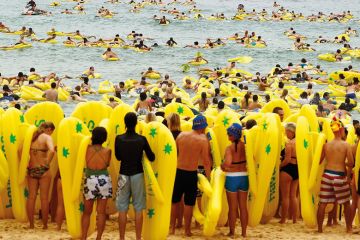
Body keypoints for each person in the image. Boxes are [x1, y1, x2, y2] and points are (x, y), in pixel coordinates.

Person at [115, 113, 155, 240]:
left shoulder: (119, 138)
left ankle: (122, 237)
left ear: (125, 123)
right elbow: (152, 157)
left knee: (122, 208)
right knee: (138, 208)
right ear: (136, 123)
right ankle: (138, 238)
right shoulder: (141, 139)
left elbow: (118, 157)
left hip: (123, 175)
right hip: (137, 174)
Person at [170, 115, 212, 236]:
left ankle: (172, 228)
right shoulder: (203, 140)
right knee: (189, 203)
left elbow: (175, 154)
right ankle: (187, 230)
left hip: (178, 172)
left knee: (175, 201)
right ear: (203, 127)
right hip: (191, 173)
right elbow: (206, 161)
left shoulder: (181, 135)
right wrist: (209, 177)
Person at [317, 118, 354, 233]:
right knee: (346, 203)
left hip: (327, 174)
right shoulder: (346, 145)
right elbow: (351, 163)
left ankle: (319, 229)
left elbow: (319, 161)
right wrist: (348, 177)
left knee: (322, 203)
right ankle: (348, 228)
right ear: (341, 129)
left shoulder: (326, 145)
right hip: (339, 175)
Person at [81, 127, 112, 240]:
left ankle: (83, 237)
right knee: (101, 212)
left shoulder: (86, 149)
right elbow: (107, 164)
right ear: (104, 138)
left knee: (87, 212)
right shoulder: (108, 151)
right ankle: (98, 237)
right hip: (103, 180)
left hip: (90, 179)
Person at [26, 122, 55, 229]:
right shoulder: (47, 137)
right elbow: (52, 150)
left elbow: (20, 150)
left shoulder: (31, 137)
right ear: (49, 129)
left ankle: (31, 224)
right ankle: (44, 225)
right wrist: (47, 162)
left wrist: (26, 163)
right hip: (43, 170)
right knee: (44, 198)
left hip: (32, 169)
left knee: (31, 197)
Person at [221, 123, 248, 237]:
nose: (227, 135)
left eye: (229, 133)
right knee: (243, 206)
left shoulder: (229, 148)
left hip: (232, 177)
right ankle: (244, 233)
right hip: (244, 176)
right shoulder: (246, 146)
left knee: (232, 208)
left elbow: (228, 163)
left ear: (232, 135)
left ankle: (232, 232)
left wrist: (222, 166)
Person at [279, 123, 298, 224]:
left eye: (287, 131)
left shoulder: (289, 143)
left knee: (285, 196)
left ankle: (283, 219)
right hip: (297, 169)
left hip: (288, 169)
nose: (286, 133)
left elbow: (287, 159)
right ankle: (294, 219)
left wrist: (280, 166)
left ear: (292, 132)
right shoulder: (300, 142)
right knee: (293, 196)